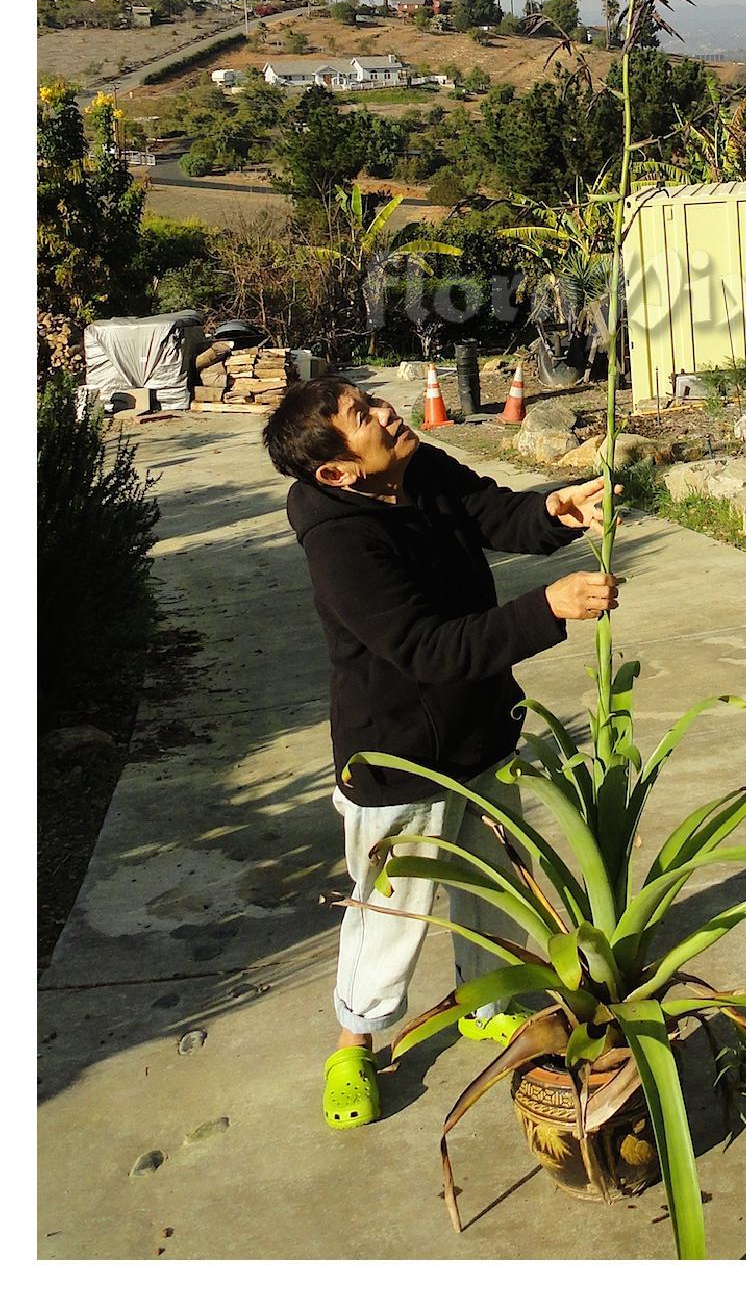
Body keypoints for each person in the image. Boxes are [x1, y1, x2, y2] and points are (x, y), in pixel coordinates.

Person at [261, 375, 618, 1130]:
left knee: (496, 884)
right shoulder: (340, 542)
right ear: (336, 471)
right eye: (364, 417)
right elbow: (424, 648)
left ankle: (485, 1004)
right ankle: (354, 1041)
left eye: (373, 401)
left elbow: (489, 508)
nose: (388, 412)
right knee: (389, 916)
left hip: (481, 724)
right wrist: (546, 608)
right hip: (399, 759)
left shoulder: (415, 464)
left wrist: (553, 511)